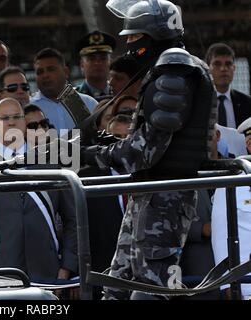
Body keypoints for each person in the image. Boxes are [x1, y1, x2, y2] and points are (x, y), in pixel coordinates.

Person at [81, 0, 217, 300]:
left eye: (133, 37)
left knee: (149, 288)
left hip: (166, 197)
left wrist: (95, 155)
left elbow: (143, 152)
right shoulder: (166, 69)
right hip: (150, 192)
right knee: (119, 283)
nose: (128, 45)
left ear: (152, 35)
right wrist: (108, 144)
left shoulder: (174, 71)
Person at [0, 98, 78, 283]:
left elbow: (73, 219)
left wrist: (67, 267)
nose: (11, 122)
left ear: (24, 121)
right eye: (4, 118)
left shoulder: (50, 165)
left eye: (17, 116)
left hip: (47, 272)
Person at [31, 48, 98, 132]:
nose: (45, 75)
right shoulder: (30, 108)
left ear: (66, 72)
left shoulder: (89, 104)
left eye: (51, 69)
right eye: (40, 72)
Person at [205, 43, 251, 129]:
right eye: (217, 64)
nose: (223, 69)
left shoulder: (247, 103)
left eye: (228, 64)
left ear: (234, 68)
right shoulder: (198, 102)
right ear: (208, 69)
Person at [76, 31, 116, 100]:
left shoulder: (119, 93)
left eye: (103, 58)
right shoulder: (74, 98)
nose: (98, 62)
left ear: (110, 62)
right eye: (91, 59)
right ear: (82, 64)